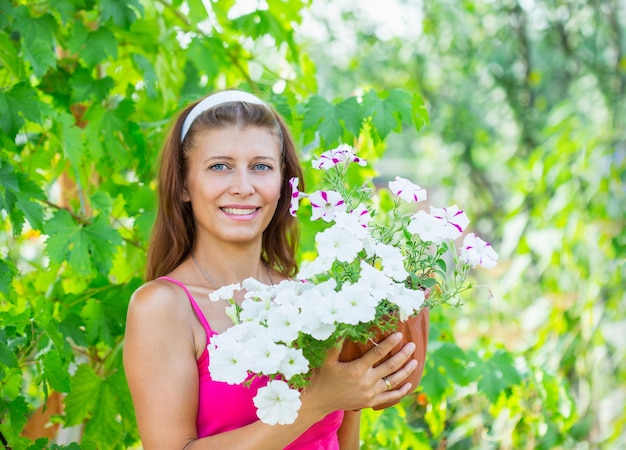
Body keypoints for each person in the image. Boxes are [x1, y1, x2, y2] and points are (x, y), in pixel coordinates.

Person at [123, 90, 419, 449]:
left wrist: (358, 384)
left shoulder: (315, 300)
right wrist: (318, 400)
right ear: (185, 184)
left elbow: (340, 441)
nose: (243, 187)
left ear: (283, 183)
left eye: (261, 166)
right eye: (220, 166)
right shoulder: (163, 307)